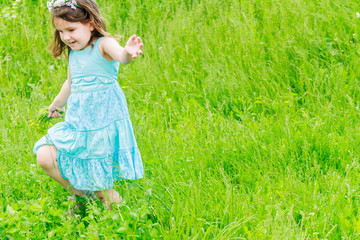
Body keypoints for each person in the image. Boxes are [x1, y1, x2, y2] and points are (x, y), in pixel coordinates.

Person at [34, 0, 144, 210]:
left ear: (90, 23)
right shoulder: (74, 53)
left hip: (101, 125)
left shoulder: (103, 44)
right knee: (45, 156)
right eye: (61, 32)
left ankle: (116, 219)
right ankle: (82, 194)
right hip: (78, 124)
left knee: (101, 185)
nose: (66, 37)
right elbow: (71, 82)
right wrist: (56, 105)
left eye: (71, 29)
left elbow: (121, 56)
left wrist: (128, 53)